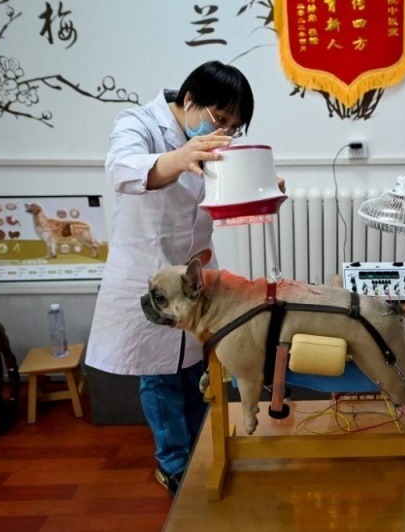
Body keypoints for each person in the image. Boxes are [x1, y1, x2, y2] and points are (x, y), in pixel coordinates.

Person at [85, 61, 254, 497]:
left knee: (194, 367)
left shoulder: (216, 144)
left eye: (235, 126)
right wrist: (179, 159)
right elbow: (122, 170)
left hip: (195, 277)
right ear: (191, 100)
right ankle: (174, 463)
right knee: (159, 374)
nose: (226, 131)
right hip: (149, 271)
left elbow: (221, 200)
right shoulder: (138, 123)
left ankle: (202, 451)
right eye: (222, 119)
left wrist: (260, 187)